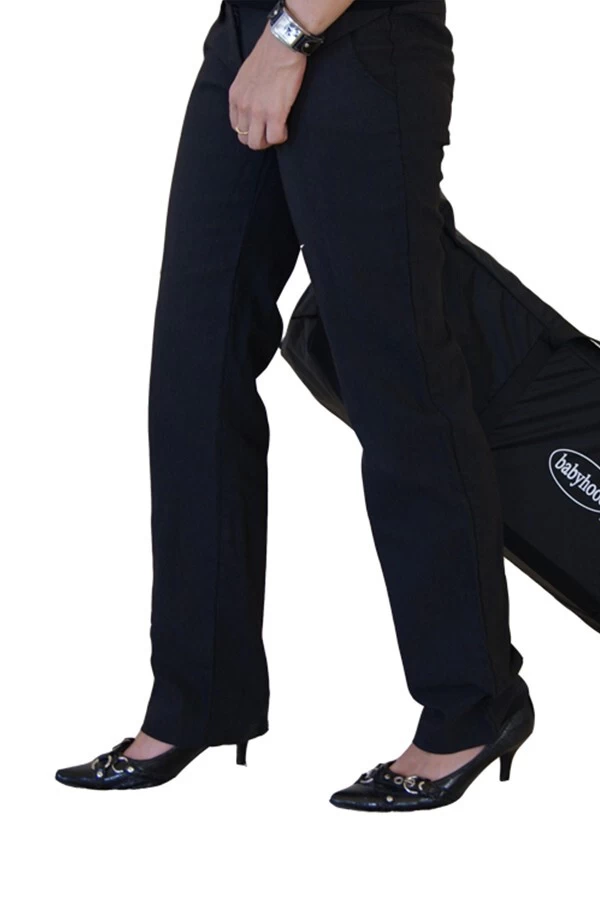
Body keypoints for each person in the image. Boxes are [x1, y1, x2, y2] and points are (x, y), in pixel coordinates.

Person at [54, 0, 534, 811]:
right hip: (249, 36)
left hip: (356, 36)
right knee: (194, 371)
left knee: (397, 381)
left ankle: (471, 708)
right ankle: (200, 697)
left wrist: (291, 35)